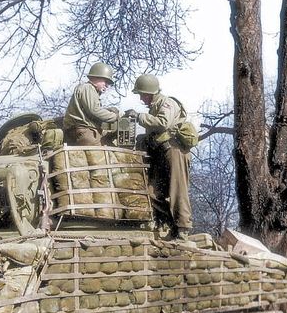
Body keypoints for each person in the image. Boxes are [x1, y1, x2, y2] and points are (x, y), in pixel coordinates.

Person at [125, 74, 193, 239]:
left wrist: (139, 116)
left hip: (175, 151)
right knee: (152, 193)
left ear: (150, 92)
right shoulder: (154, 107)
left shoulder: (167, 103)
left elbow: (163, 123)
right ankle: (170, 226)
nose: (141, 98)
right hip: (161, 153)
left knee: (178, 191)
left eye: (142, 94)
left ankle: (183, 230)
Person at [63, 62, 120, 146]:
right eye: (106, 81)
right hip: (86, 133)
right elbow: (94, 110)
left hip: (84, 131)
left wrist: (107, 112)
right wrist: (115, 116)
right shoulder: (88, 88)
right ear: (96, 77)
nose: (107, 86)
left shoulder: (88, 90)